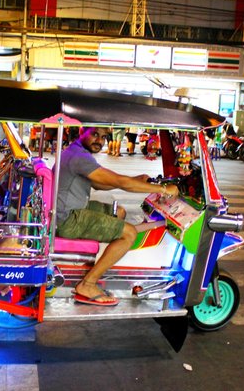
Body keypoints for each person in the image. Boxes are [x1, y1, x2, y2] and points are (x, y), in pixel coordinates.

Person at [55, 127, 179, 306]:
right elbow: (117, 181)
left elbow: (99, 184)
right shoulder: (79, 157)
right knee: (129, 233)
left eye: (104, 137)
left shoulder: (76, 151)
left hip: (69, 210)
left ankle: (103, 263)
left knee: (119, 212)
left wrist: (134, 179)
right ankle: (88, 283)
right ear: (82, 131)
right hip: (68, 218)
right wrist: (163, 189)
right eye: (95, 134)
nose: (99, 140)